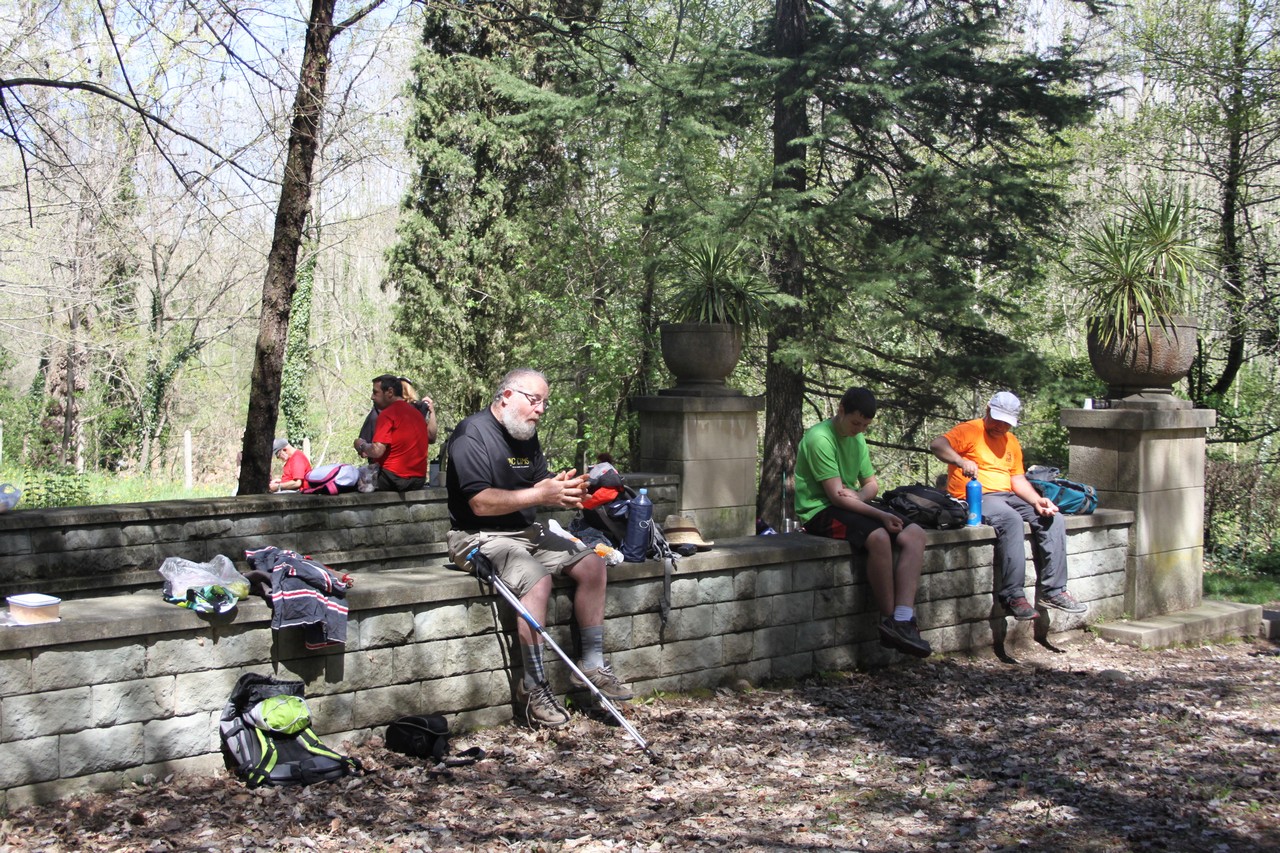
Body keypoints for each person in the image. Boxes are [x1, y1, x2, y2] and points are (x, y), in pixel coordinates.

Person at [446, 368, 632, 728]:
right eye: (535, 400)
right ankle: (533, 686)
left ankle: (591, 666)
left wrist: (567, 491)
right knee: (537, 580)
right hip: (477, 536)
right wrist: (539, 494)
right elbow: (480, 503)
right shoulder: (472, 434)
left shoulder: (526, 434)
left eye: (545, 402)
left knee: (593, 565)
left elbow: (539, 484)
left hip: (527, 531)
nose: (541, 409)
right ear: (506, 396)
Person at [793, 387, 932, 658]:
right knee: (878, 537)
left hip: (852, 503)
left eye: (865, 426)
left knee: (915, 534)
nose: (859, 430)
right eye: (856, 423)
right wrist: (880, 515)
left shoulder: (857, 439)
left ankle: (903, 619)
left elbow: (871, 485)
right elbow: (835, 496)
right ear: (841, 410)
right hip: (819, 511)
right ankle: (890, 619)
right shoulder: (820, 438)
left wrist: (859, 496)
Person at [929, 391, 1089, 621]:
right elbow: (937, 444)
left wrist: (1037, 501)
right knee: (1010, 519)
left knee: (1053, 517)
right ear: (987, 410)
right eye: (997, 420)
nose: (1000, 427)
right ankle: (1013, 596)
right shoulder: (970, 430)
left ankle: (1054, 591)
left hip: (1007, 495)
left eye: (1006, 423)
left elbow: (1017, 479)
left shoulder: (1011, 441)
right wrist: (961, 460)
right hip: (976, 496)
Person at [353, 374, 430, 491]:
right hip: (418, 480)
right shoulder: (417, 414)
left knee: (351, 478)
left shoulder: (387, 414)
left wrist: (361, 445)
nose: (372, 397)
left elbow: (377, 451)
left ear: (390, 392)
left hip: (393, 479)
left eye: (375, 392)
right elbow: (431, 437)